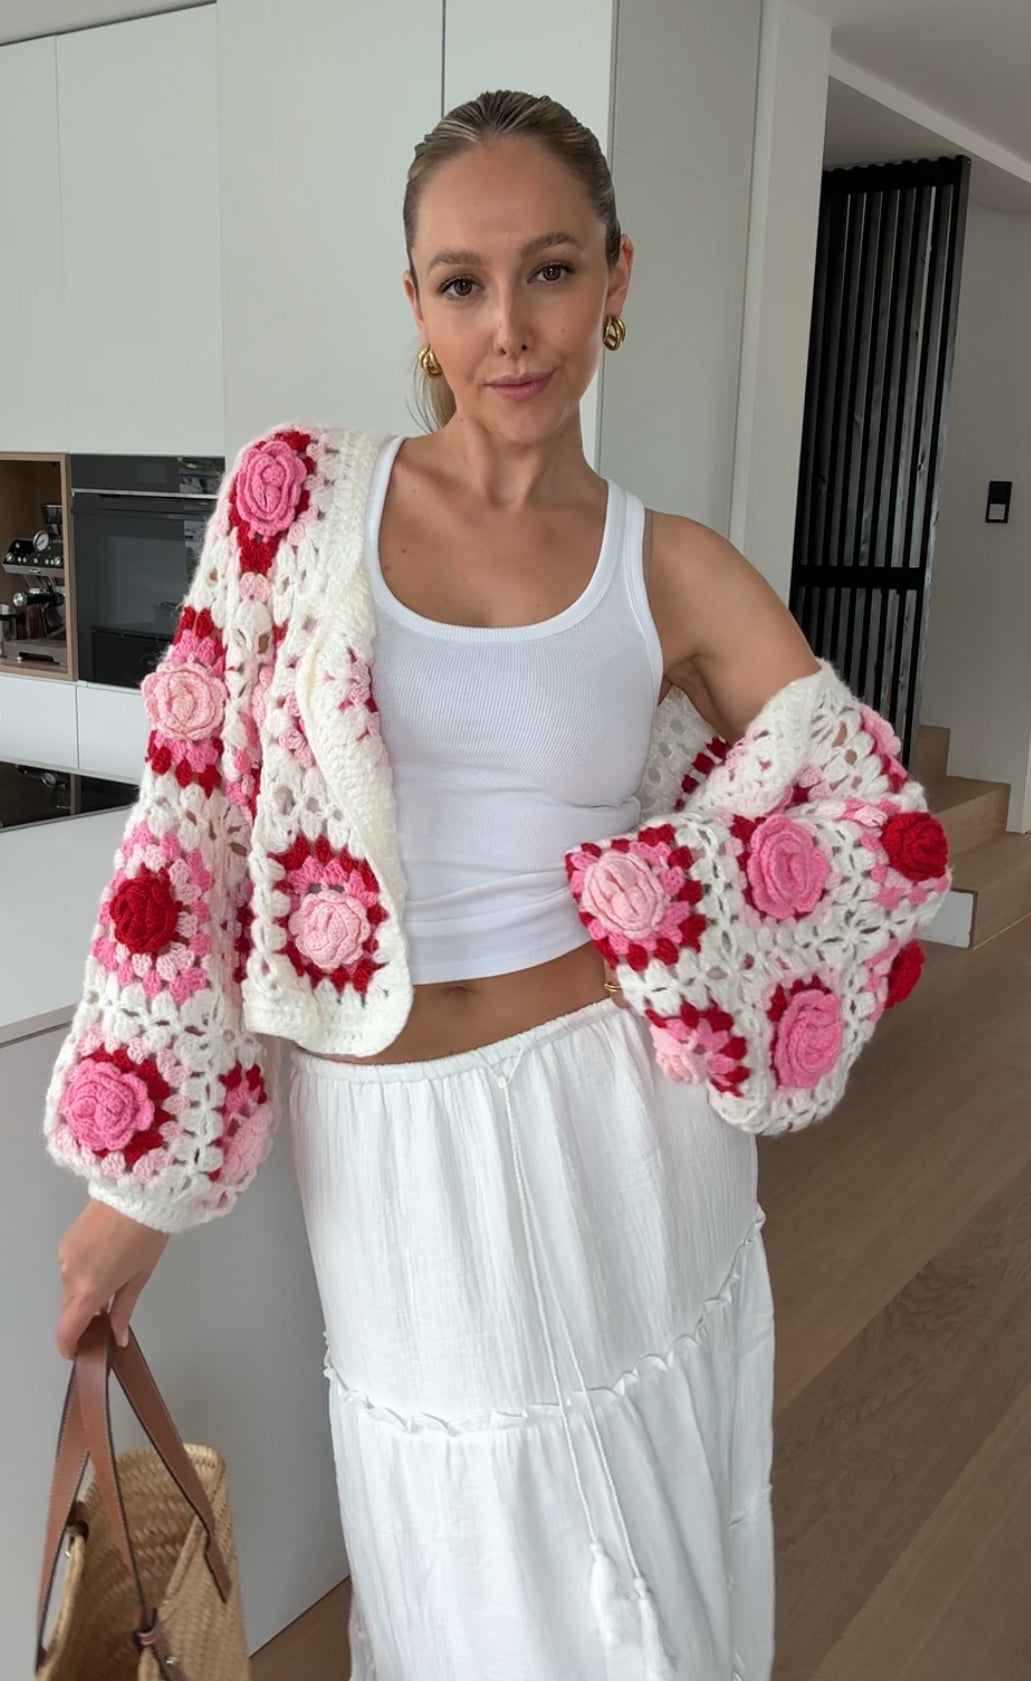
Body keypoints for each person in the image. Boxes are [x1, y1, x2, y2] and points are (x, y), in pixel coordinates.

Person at [47, 90, 949, 1681]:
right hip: (387, 1148)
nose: (509, 328)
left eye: (550, 271)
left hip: (615, 1120)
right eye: (463, 283)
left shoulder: (669, 566)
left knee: (637, 1556)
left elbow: (873, 826)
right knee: (459, 1560)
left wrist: (652, 921)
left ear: (615, 275)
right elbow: (193, 841)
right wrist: (142, 1196)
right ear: (415, 303)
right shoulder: (295, 506)